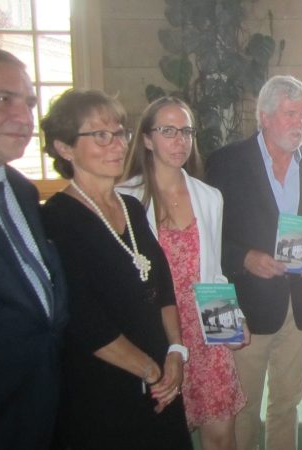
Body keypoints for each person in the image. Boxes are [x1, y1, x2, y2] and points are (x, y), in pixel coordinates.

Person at [40, 89, 192, 450]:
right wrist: (150, 370)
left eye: (120, 133)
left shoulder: (131, 208)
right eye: (100, 135)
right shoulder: (56, 219)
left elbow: (162, 286)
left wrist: (175, 352)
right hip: (104, 387)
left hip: (158, 378)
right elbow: (83, 319)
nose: (117, 145)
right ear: (65, 148)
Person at [205, 75, 302, 450]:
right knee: (243, 406)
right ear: (264, 116)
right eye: (290, 114)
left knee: (287, 403)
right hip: (246, 306)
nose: (299, 124)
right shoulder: (225, 163)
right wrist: (244, 257)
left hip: (299, 304)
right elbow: (206, 237)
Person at [118, 96, 249, 450]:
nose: (180, 141)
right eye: (168, 131)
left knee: (221, 436)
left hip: (207, 329)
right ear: (147, 139)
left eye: (186, 131)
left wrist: (232, 320)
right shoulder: (124, 198)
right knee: (163, 435)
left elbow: (214, 272)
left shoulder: (209, 197)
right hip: (158, 331)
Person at [0, 48, 68, 450]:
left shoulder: (21, 191)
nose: (23, 117)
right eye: (3, 99)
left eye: (29, 103)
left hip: (38, 404)